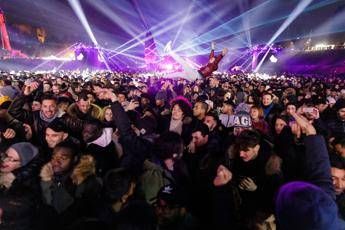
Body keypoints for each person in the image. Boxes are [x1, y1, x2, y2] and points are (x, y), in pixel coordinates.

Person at [0, 142, 40, 230]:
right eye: (5, 155)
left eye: (12, 159)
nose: (5, 160)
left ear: (22, 164)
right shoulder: (3, 176)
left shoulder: (26, 186)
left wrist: (4, 213)